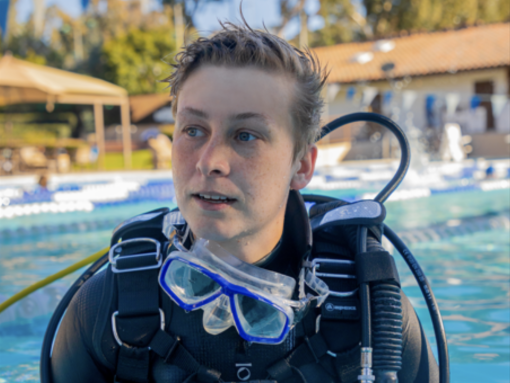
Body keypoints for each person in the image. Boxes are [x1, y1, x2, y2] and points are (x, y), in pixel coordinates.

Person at [50, 22, 439, 383]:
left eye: (246, 136)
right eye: (194, 129)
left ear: (301, 165)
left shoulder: (372, 318)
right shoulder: (107, 310)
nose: (209, 162)